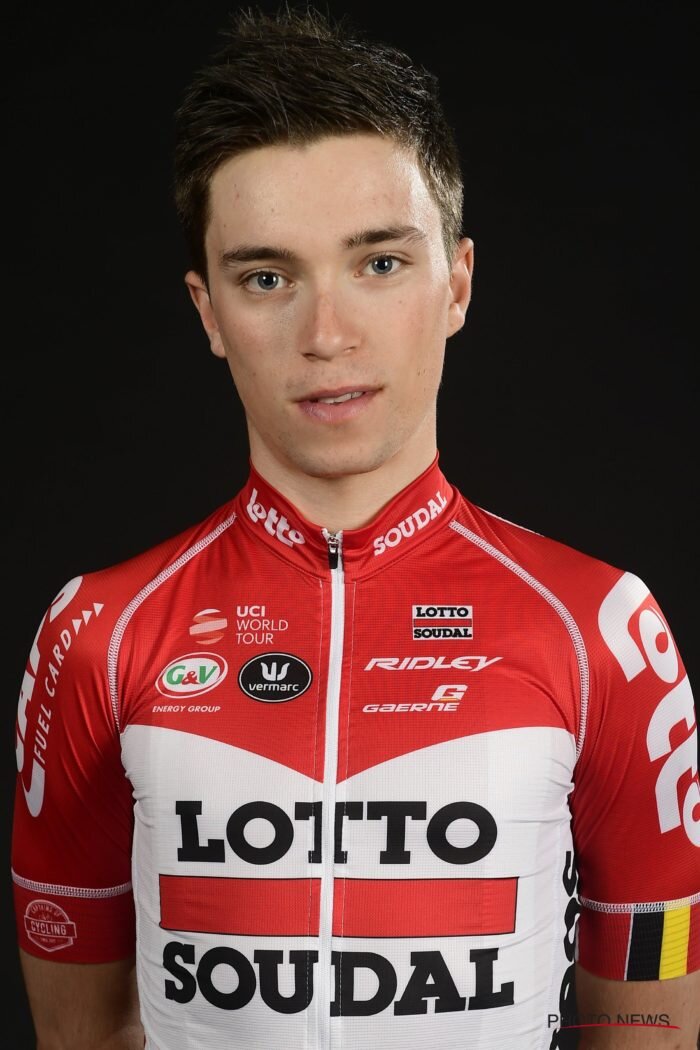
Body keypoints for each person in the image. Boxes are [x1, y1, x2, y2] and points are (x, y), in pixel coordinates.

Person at [11, 4, 699, 1049]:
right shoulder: (96, 634)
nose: (326, 335)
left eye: (379, 263)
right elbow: (81, 1032)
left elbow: (650, 1006)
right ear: (208, 312)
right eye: (267, 277)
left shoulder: (604, 629)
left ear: (456, 283)